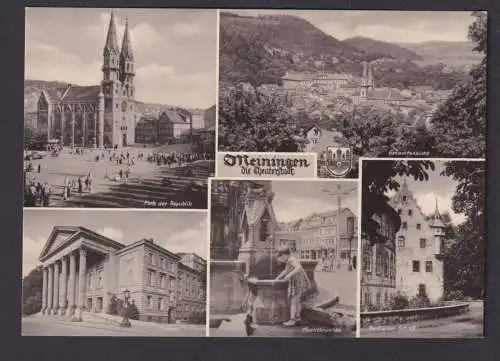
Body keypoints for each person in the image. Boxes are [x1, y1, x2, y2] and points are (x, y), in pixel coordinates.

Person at [275, 246, 311, 327]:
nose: (280, 260)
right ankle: (298, 318)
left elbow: (299, 268)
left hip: (296, 282)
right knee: (297, 300)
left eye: (280, 258)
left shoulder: (291, 259)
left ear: (284, 255)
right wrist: (278, 278)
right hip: (298, 282)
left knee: (293, 301)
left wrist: (289, 275)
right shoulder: (290, 259)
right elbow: (286, 270)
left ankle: (292, 320)